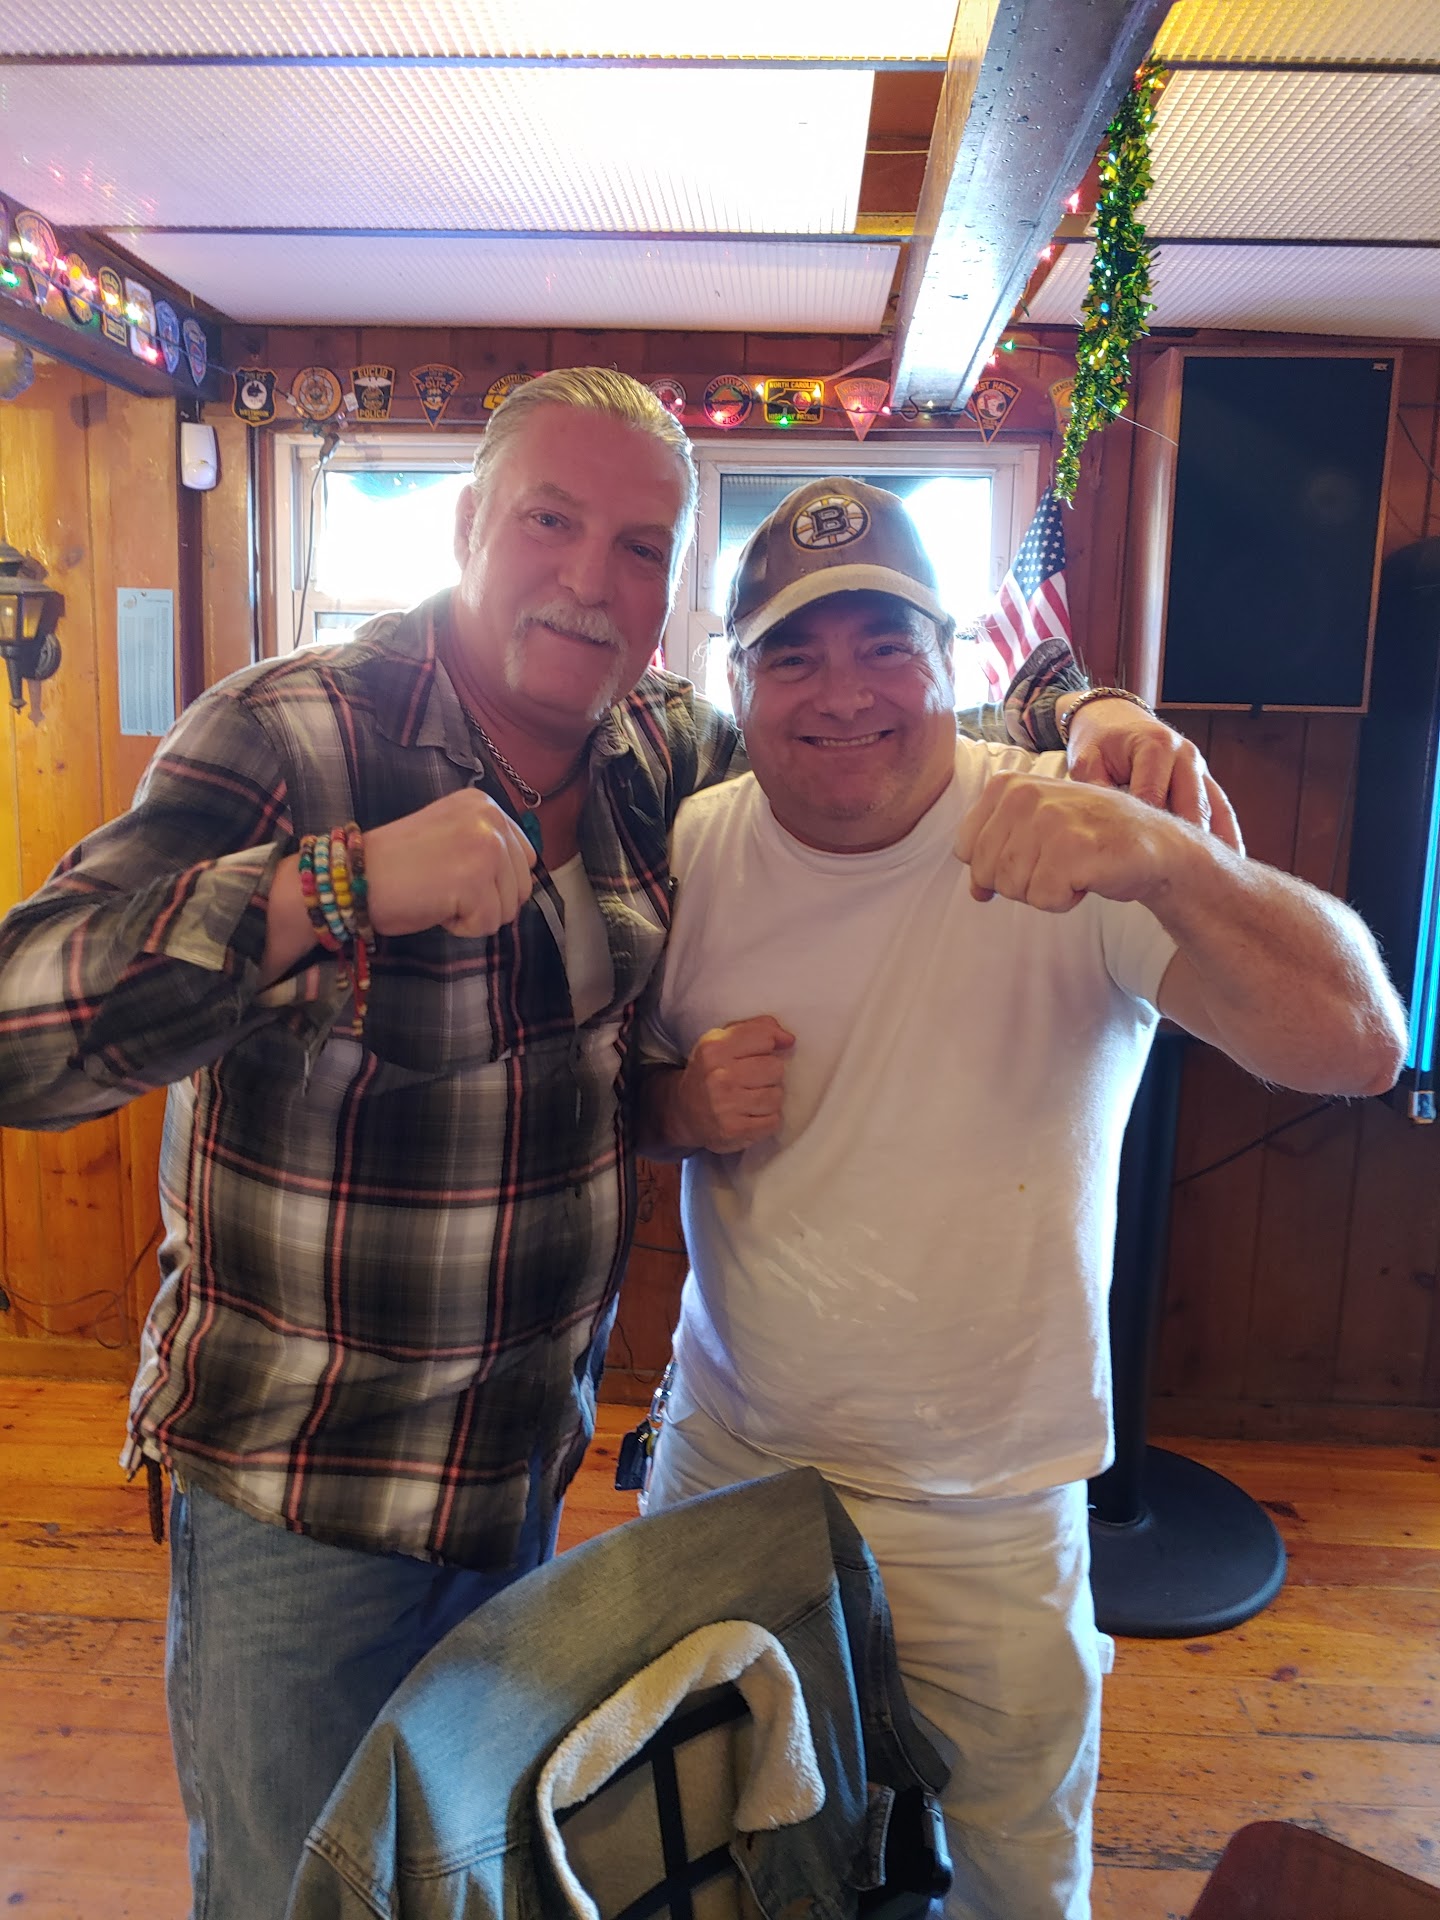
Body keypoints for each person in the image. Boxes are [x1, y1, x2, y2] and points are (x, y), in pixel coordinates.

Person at [0, 371, 1235, 1917]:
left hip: (520, 1481)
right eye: (551, 521)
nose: (592, 578)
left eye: (641, 547)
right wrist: (335, 886)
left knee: (479, 1883)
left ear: (670, 594)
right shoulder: (290, 732)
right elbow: (23, 1026)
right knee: (289, 1897)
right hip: (301, 1496)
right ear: (467, 524)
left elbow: (874, 717)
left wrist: (1085, 710)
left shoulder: (659, 751)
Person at [635, 476, 1406, 1920]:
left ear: (954, 663)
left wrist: (1172, 859)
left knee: (1017, 1882)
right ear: (737, 684)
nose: (843, 693)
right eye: (794, 654)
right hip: (728, 1458)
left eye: (886, 644)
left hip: (988, 1505)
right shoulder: (688, 856)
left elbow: (1361, 1044)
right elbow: (600, 1091)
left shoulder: (1075, 834)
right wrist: (673, 1105)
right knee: (712, 1853)